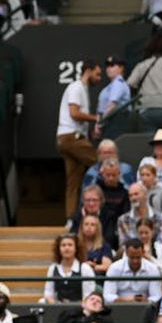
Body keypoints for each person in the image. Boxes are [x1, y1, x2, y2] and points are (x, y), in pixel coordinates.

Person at [56, 59, 102, 219]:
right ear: (87, 71)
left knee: (73, 183)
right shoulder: (76, 87)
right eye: (97, 74)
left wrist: (89, 132)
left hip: (68, 138)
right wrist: (95, 118)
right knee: (103, 165)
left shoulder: (83, 90)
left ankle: (70, 220)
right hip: (71, 138)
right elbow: (74, 113)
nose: (99, 78)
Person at [104, 238, 162, 304]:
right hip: (119, 308)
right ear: (126, 253)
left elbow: (156, 295)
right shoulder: (114, 268)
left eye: (138, 257)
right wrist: (126, 301)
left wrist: (147, 301)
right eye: (132, 257)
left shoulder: (152, 269)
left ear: (143, 252)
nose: (135, 261)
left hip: (146, 308)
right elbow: (107, 296)